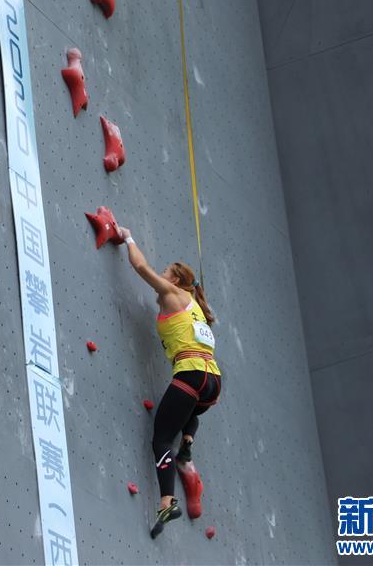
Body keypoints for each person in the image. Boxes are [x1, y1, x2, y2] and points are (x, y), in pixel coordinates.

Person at [115, 225, 221, 539]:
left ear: (174, 280)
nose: (161, 275)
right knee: (190, 411)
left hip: (189, 373)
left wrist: (128, 238)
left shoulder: (173, 293)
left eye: (166, 272)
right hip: (212, 381)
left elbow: (140, 267)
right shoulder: (197, 308)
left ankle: (167, 500)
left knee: (161, 439)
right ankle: (187, 441)